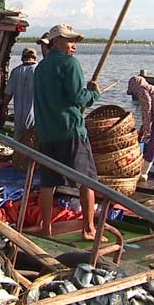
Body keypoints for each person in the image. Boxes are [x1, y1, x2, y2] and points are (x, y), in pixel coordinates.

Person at [33, 23, 102, 241]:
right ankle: (89, 228)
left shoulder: (41, 67)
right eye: (70, 41)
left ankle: (46, 227)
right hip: (71, 131)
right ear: (56, 42)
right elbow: (78, 98)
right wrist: (93, 94)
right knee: (87, 180)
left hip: (47, 133)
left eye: (75, 42)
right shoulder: (70, 64)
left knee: (48, 182)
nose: (74, 46)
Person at [2, 47, 38, 141]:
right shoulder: (39, 70)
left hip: (18, 117)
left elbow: (8, 93)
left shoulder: (15, 71)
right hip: (34, 117)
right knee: (32, 146)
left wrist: (4, 107)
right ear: (35, 57)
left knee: (18, 145)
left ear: (22, 58)